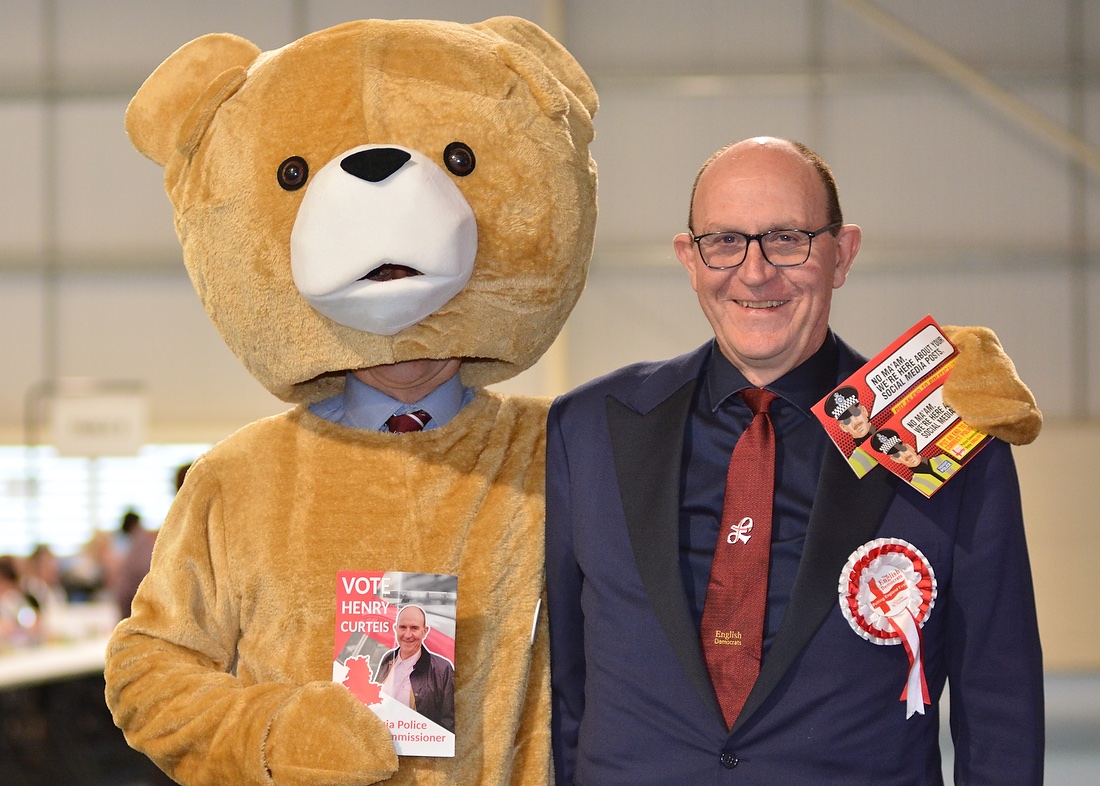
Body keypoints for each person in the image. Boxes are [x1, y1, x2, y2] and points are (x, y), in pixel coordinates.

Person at [544, 136, 1043, 784]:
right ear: (688, 258)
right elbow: (563, 689)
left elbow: (998, 702)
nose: (755, 272)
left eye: (788, 238)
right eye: (724, 241)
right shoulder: (586, 429)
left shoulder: (951, 434)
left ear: (842, 253)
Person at [373, 604, 456, 733]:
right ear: (395, 629)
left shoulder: (442, 669)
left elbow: (448, 723)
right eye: (402, 627)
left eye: (414, 628)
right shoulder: (388, 659)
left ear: (425, 631)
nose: (407, 634)